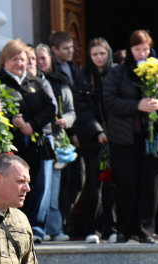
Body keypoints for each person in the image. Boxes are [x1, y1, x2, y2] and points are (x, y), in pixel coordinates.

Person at [103, 29, 158, 244]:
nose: (142, 54)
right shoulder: (118, 72)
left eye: (145, 49)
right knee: (126, 184)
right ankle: (124, 231)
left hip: (152, 139)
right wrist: (137, 105)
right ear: (130, 50)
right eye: (138, 49)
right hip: (124, 139)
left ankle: (146, 231)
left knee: (151, 185)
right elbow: (109, 101)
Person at [0, 40, 56, 220]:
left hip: (33, 144)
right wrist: (11, 121)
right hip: (10, 145)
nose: (20, 64)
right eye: (15, 59)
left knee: (32, 183)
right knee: (11, 185)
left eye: (22, 59)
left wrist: (32, 124)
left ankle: (29, 224)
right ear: (5, 60)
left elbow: (50, 108)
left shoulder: (33, 81)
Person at [77, 37, 117, 244]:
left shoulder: (116, 73)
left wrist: (113, 131)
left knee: (113, 184)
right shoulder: (83, 76)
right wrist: (98, 131)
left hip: (116, 138)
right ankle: (92, 228)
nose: (99, 58)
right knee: (94, 184)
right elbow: (82, 110)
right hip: (92, 141)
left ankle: (112, 228)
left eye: (102, 53)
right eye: (95, 54)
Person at [35, 44, 76, 243]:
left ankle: (55, 228)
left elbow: (71, 110)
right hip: (34, 139)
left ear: (51, 58)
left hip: (56, 140)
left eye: (43, 58)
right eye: (36, 58)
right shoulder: (30, 82)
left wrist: (67, 120)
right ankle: (37, 228)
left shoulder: (61, 82)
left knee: (53, 187)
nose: (40, 62)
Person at [49, 32, 84, 235]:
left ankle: (65, 217)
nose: (71, 52)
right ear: (54, 50)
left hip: (74, 130)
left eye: (72, 47)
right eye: (66, 48)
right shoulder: (53, 72)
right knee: (61, 183)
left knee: (77, 180)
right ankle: (59, 223)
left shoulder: (72, 68)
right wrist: (72, 133)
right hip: (62, 135)